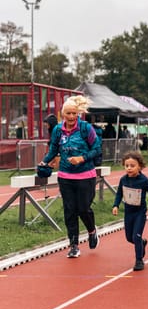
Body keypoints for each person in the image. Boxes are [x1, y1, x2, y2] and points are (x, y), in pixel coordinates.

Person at [40, 95, 102, 258]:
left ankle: (92, 230)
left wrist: (82, 158)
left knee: (83, 209)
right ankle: (73, 245)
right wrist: (44, 162)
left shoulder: (86, 128)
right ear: (62, 114)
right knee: (69, 211)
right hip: (65, 176)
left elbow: (97, 149)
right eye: (68, 113)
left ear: (78, 114)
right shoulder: (58, 130)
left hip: (85, 175)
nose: (72, 117)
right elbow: (53, 150)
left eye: (74, 113)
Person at [112, 150, 148, 271]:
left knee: (136, 237)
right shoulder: (123, 180)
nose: (129, 168)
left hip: (140, 213)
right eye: (127, 166)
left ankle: (139, 260)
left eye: (132, 166)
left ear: (140, 166)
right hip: (128, 213)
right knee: (129, 238)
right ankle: (142, 243)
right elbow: (119, 194)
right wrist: (115, 205)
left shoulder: (144, 180)